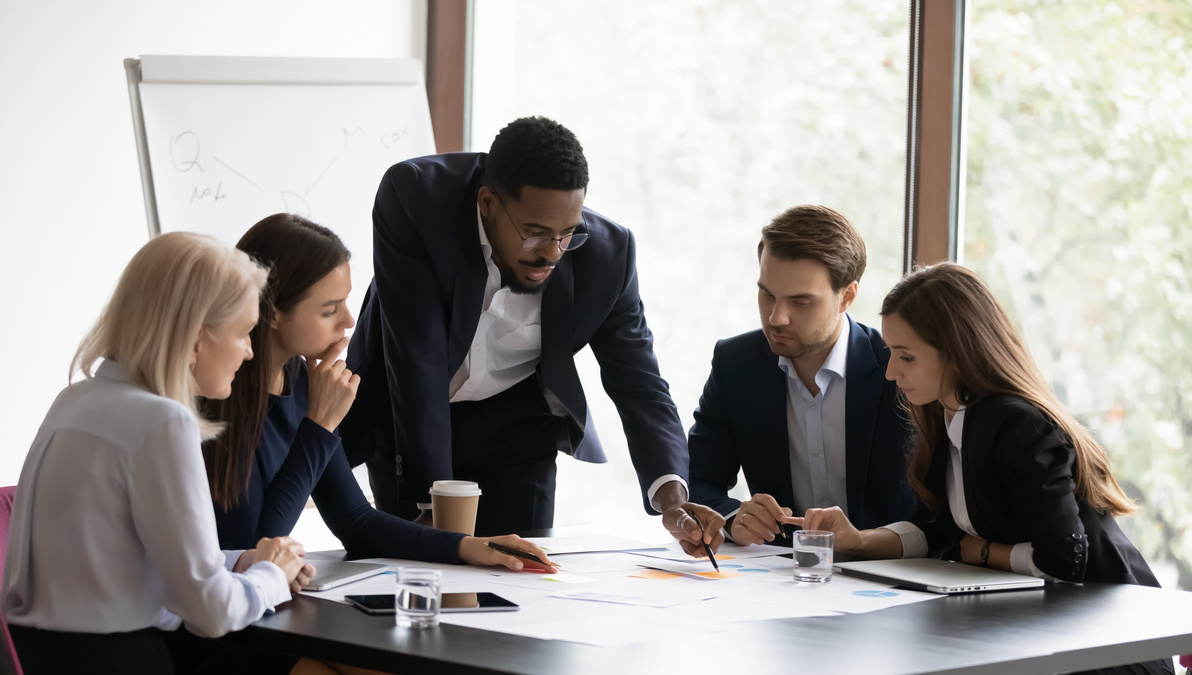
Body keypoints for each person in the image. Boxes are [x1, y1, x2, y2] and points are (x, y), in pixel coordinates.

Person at [340, 116, 724, 552]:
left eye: (567, 234)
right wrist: (434, 503)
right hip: (410, 414)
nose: (551, 253)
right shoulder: (416, 197)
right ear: (487, 203)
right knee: (416, 572)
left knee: (523, 574)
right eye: (535, 233)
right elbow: (417, 353)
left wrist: (674, 500)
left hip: (516, 425)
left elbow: (640, 381)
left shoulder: (607, 255)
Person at [792, 262, 1172, 675]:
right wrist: (859, 541)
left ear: (956, 353)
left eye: (906, 356)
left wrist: (985, 552)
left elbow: (1066, 559)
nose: (890, 372)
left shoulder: (1015, 424)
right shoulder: (947, 417)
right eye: (890, 354)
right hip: (1046, 632)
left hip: (1108, 649)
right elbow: (936, 530)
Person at [0, 232, 318, 674]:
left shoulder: (74, 401)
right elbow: (211, 611)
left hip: (48, 656)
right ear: (194, 340)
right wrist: (271, 576)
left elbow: (130, 560)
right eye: (244, 333)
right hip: (128, 661)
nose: (249, 351)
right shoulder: (163, 422)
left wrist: (240, 561)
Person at [203, 214, 557, 572]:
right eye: (329, 310)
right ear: (272, 311)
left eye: (344, 302)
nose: (348, 321)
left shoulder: (303, 381)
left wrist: (467, 546)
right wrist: (321, 424)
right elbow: (253, 549)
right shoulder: (215, 393)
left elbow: (355, 520)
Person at [689, 205, 915, 546]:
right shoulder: (735, 363)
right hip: (779, 575)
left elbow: (935, 508)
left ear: (847, 297)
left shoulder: (898, 368)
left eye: (801, 302)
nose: (777, 317)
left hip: (888, 573)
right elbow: (697, 478)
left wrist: (865, 543)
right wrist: (735, 518)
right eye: (767, 294)